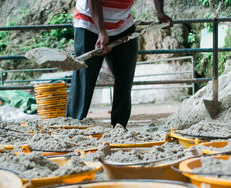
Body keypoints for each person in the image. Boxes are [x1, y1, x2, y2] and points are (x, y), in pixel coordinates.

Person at [67, 0, 173, 128]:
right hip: (89, 21)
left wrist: (160, 12)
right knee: (84, 78)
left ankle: (119, 127)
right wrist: (101, 31)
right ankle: (74, 125)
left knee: (125, 78)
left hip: (122, 23)